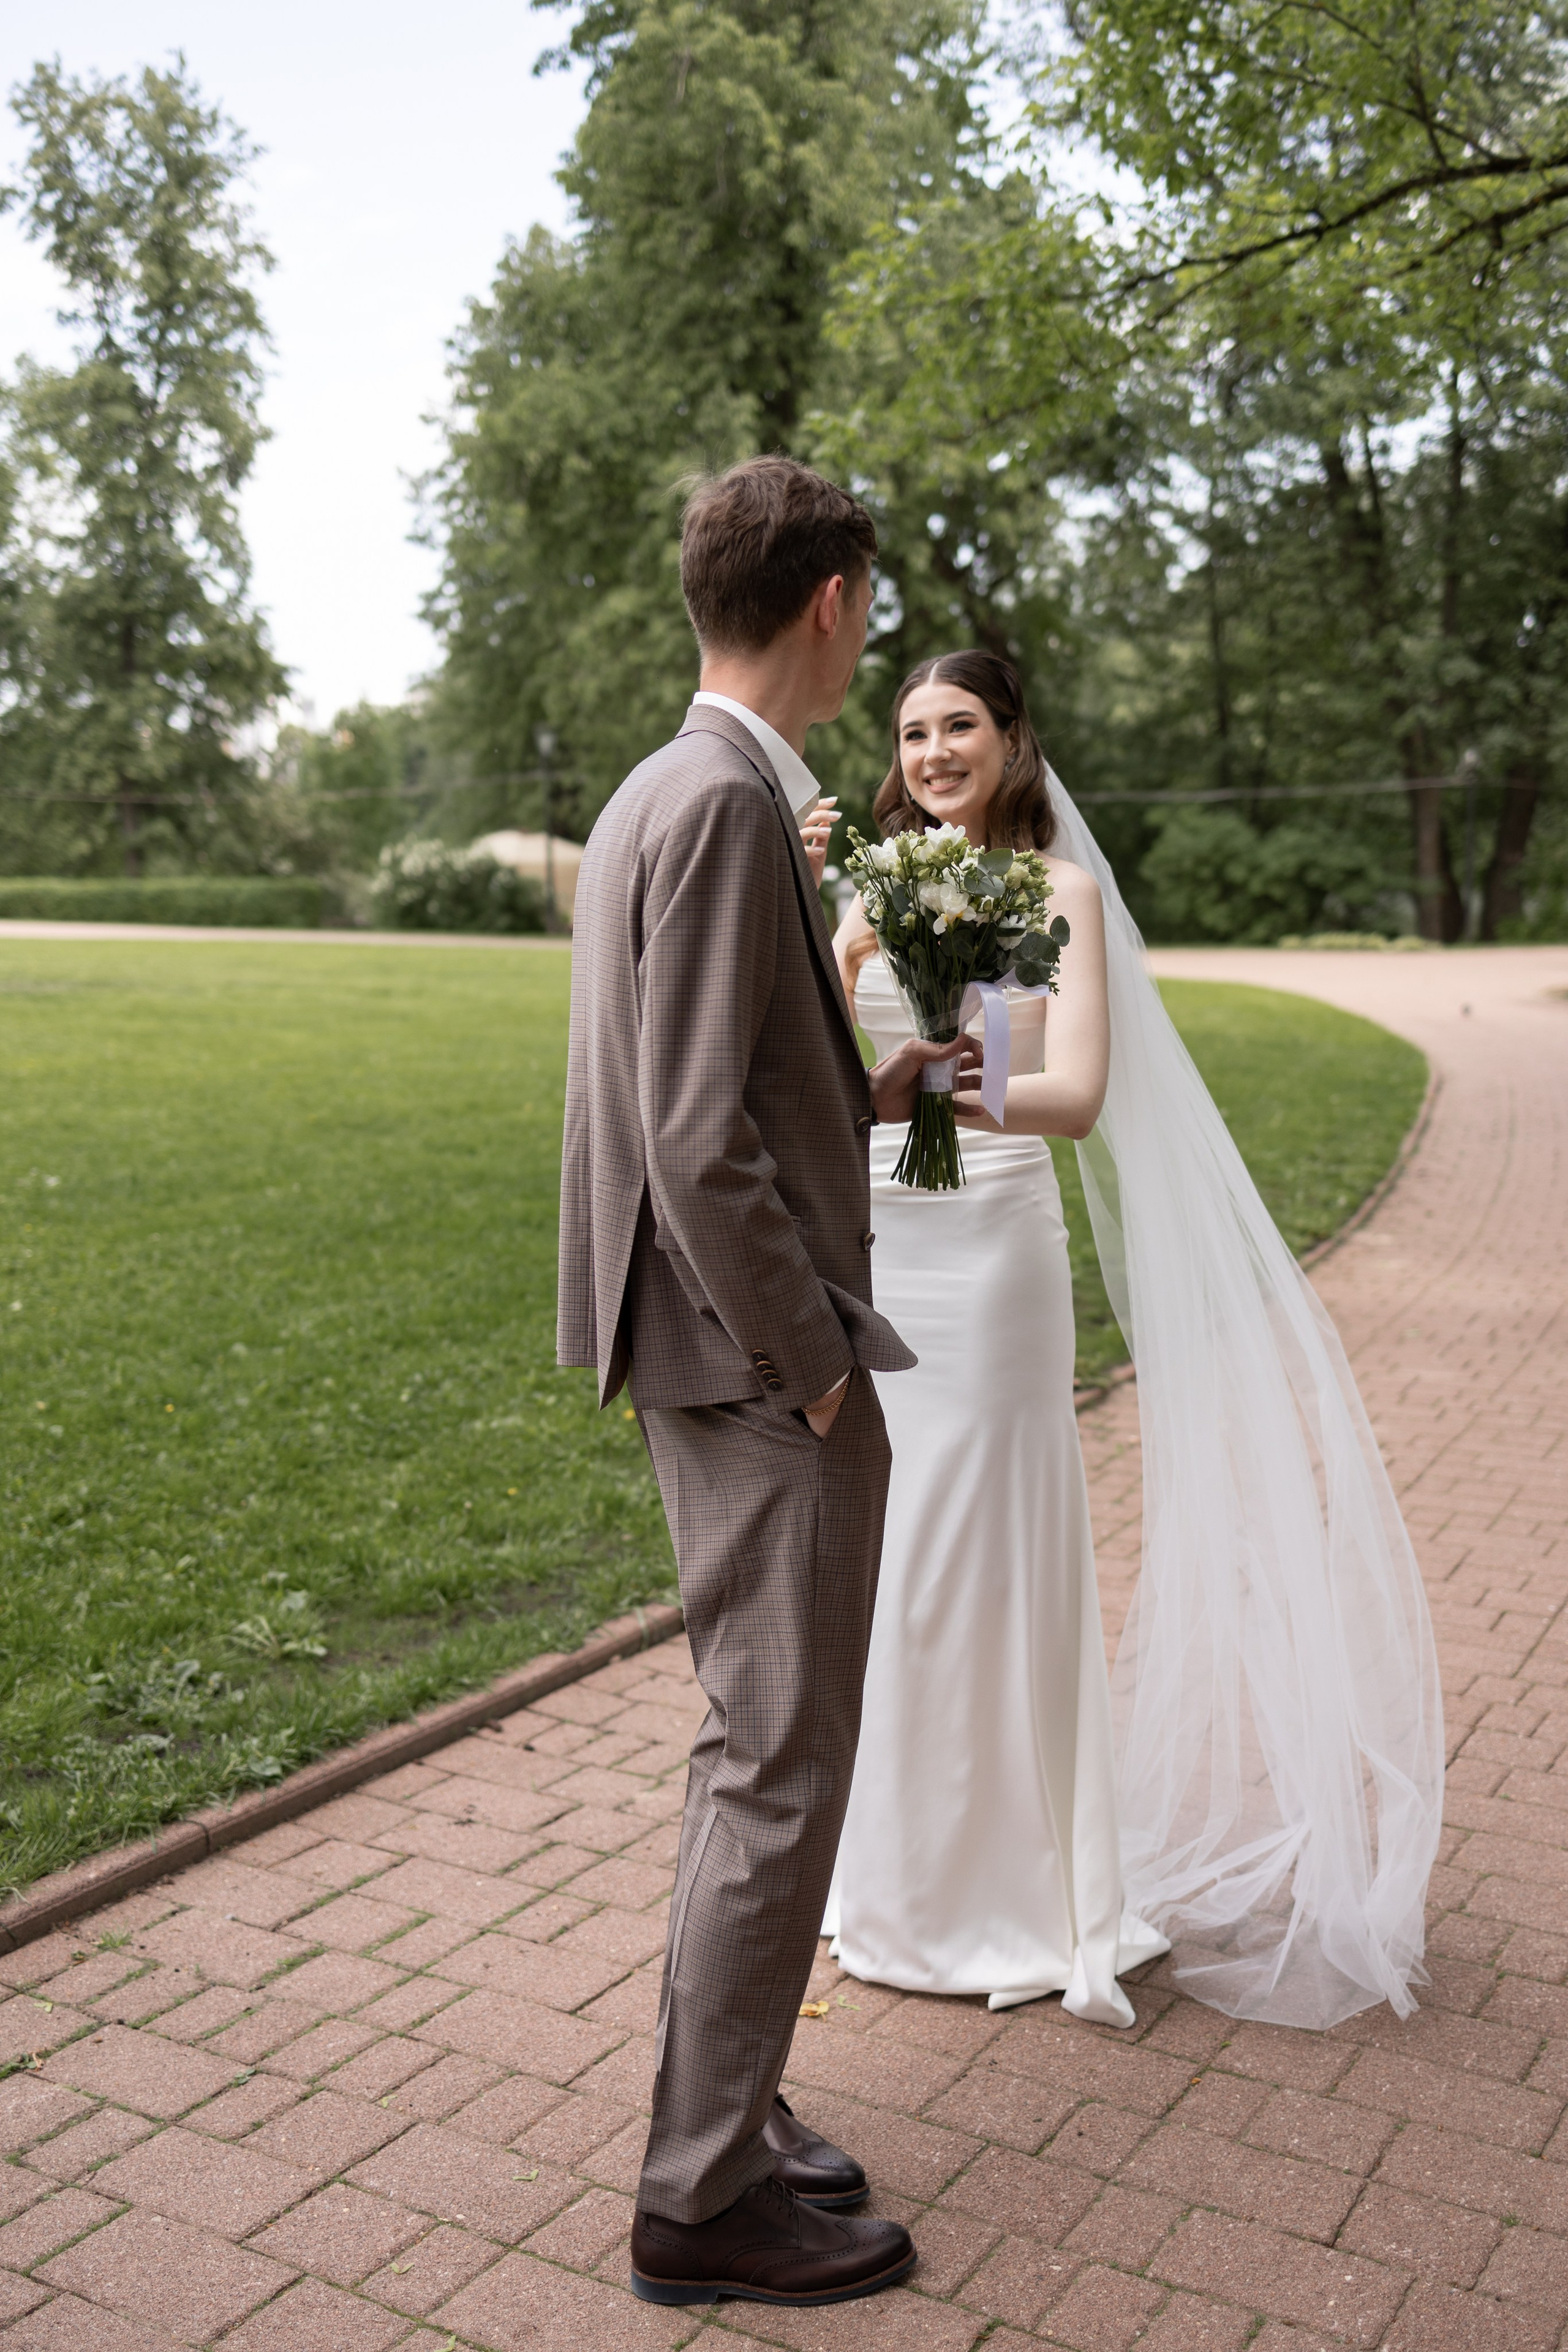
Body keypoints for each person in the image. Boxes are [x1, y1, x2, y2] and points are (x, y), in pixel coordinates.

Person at [820, 650, 1443, 2035]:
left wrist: (927, 1083)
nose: (931, 753)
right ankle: (896, 1878)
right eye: (912, 731)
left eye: (958, 727)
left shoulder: (1060, 894)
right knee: (885, 1562)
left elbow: (1077, 1093)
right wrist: (855, 949)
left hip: (986, 1258)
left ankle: (1022, 1887)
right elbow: (804, 1070)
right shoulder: (856, 891)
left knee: (981, 1559)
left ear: (1009, 740)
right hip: (876, 1249)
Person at [557, 458, 970, 2309]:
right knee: (777, 1773)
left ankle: (732, 2110)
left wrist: (868, 1094)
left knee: (757, 1759)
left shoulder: (674, 783)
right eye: (871, 598)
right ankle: (701, 2198)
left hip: (701, 1347)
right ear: (835, 602)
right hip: (752, 1363)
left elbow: (718, 1090)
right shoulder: (727, 807)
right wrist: (815, 1372)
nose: (873, 623)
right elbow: (695, 1138)